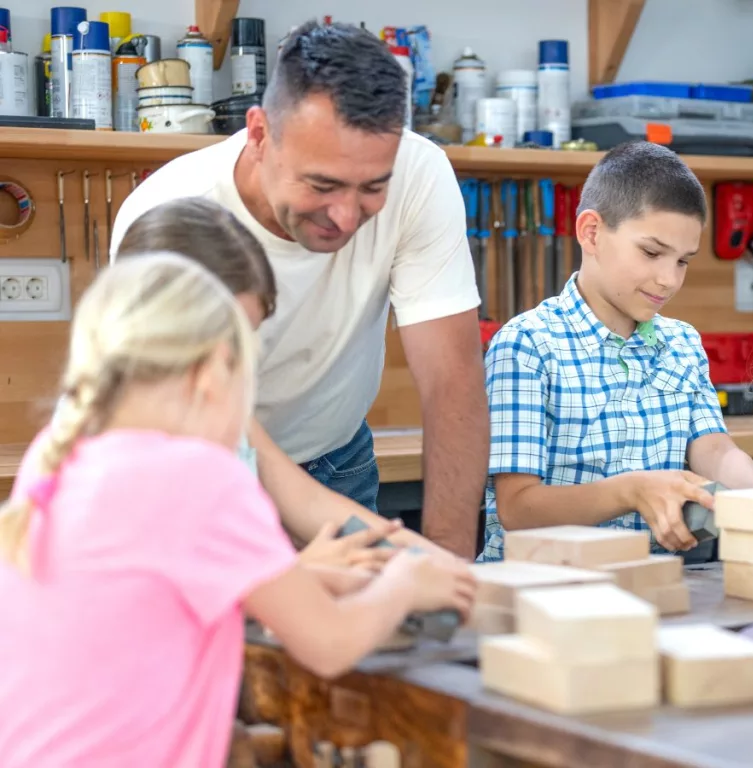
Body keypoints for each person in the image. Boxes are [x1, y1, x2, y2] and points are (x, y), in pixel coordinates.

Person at [0, 254, 476, 766]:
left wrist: (307, 582)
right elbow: (331, 644)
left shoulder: (61, 456)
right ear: (211, 375)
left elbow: (147, 603)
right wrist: (404, 583)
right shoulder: (197, 474)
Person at [110, 20, 488, 559]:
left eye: (372, 188)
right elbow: (214, 455)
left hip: (335, 458)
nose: (346, 215)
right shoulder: (171, 221)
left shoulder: (420, 173)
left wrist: (448, 568)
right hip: (197, 477)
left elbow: (452, 380)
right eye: (322, 184)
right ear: (260, 134)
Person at [116, 196, 450, 566]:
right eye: (226, 338)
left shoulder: (219, 407)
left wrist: (430, 561)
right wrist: (303, 572)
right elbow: (181, 584)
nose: (241, 359)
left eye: (249, 336)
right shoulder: (122, 446)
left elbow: (307, 501)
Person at [478, 141, 753, 563]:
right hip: (542, 585)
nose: (668, 279)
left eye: (683, 261)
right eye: (651, 253)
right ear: (591, 232)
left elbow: (716, 452)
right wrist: (633, 491)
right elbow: (518, 507)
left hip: (649, 581)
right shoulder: (527, 346)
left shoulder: (683, 344)